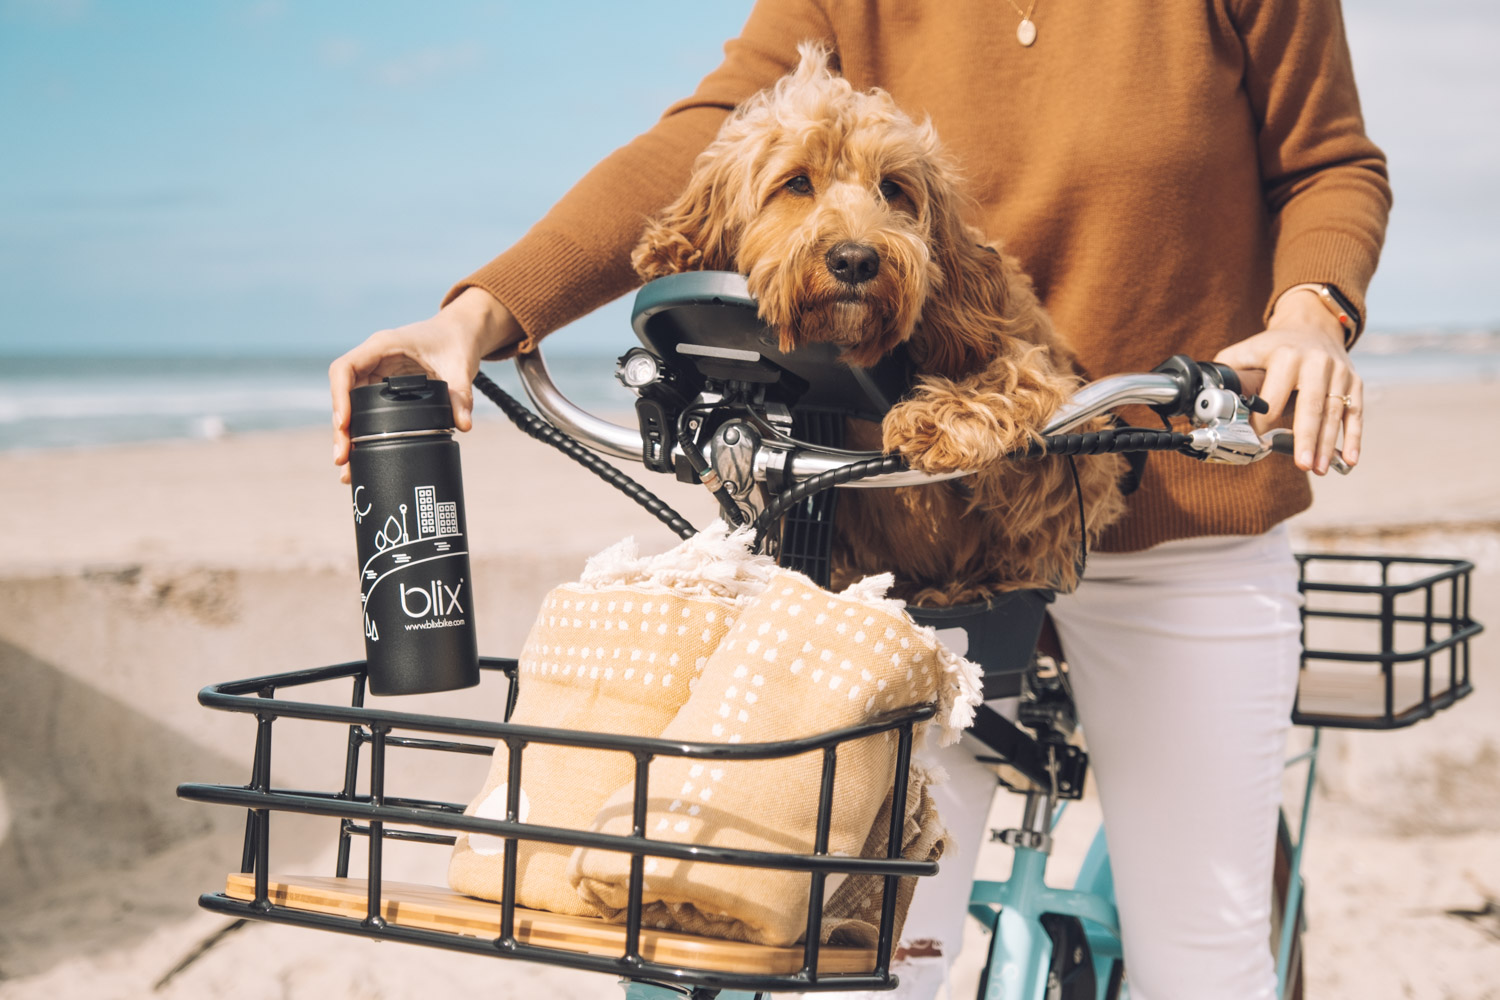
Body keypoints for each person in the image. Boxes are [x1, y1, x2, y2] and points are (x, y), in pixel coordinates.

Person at [329, 3, 1389, 997]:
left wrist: (1310, 316)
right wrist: (480, 316)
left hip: (1177, 505)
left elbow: (1329, 164)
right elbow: (703, 143)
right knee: (870, 954)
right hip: (913, 514)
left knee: (1202, 956)